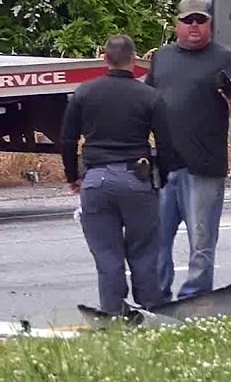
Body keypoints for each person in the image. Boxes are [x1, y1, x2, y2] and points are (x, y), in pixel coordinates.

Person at [60, 34, 175, 317]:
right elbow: (167, 143)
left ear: (104, 59)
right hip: (137, 179)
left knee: (107, 256)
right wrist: (163, 177)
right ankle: (150, 312)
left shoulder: (84, 93)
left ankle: (114, 315)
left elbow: (67, 139)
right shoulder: (149, 96)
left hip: (96, 180)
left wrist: (73, 176)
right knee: (144, 253)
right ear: (134, 61)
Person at [146, 0, 231, 302]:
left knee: (201, 240)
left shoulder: (224, 58)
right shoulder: (162, 57)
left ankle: (195, 298)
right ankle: (156, 297)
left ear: (209, 25)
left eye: (200, 21)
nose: (194, 26)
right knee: (156, 239)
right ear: (177, 24)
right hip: (164, 165)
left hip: (204, 166)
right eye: (188, 21)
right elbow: (147, 100)